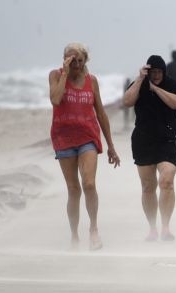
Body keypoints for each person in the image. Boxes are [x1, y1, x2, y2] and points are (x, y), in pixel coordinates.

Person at [49, 42, 120, 251]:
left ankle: (94, 230)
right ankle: (74, 236)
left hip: (88, 137)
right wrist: (65, 73)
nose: (76, 65)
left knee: (89, 184)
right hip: (63, 138)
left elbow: (101, 113)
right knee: (73, 190)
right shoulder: (55, 75)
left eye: (80, 60)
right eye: (72, 61)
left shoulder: (92, 81)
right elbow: (55, 99)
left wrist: (111, 146)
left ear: (85, 60)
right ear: (65, 60)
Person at [123, 55, 176, 241]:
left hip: (167, 141)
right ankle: (152, 228)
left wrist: (155, 88)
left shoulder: (171, 84)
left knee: (167, 181)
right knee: (148, 186)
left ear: (164, 72)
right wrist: (141, 79)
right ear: (147, 72)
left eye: (159, 72)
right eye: (153, 72)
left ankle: (165, 227)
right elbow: (127, 101)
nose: (156, 75)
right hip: (144, 141)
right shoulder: (138, 83)